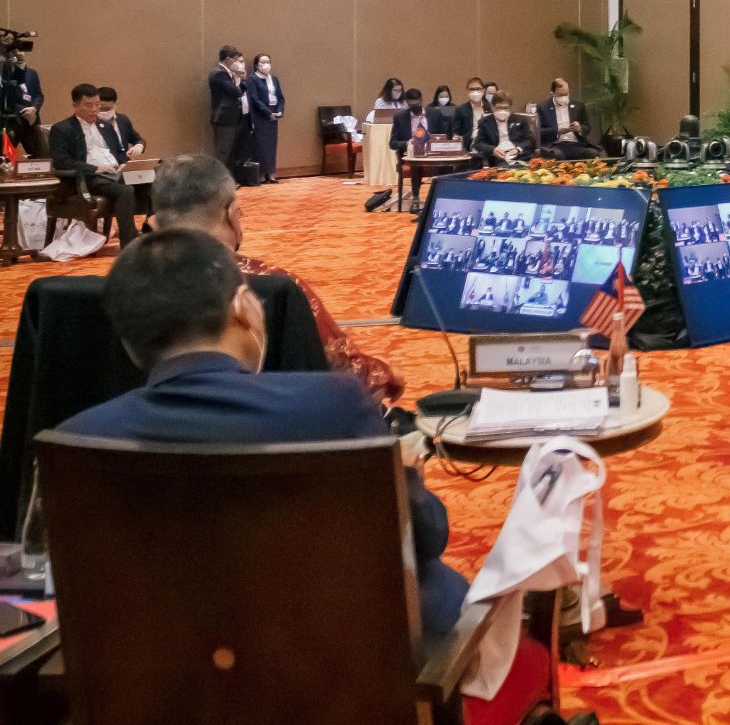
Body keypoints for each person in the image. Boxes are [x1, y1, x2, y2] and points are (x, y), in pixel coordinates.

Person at [59, 230, 464, 629]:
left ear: (128, 341)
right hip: (332, 652)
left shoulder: (78, 437)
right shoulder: (333, 403)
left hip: (163, 658)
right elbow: (425, 536)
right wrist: (406, 476)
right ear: (242, 307)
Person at [151, 155, 401, 401]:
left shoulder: (135, 285)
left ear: (155, 223)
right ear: (233, 214)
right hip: (267, 421)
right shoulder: (278, 287)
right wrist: (385, 375)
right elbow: (344, 374)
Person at [48, 83, 139, 248]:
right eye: (89, 105)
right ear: (75, 106)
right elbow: (62, 161)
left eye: (97, 105)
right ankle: (129, 244)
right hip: (86, 178)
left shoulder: (106, 126)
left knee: (148, 183)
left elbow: (119, 152)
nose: (95, 110)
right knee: (125, 190)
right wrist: (95, 169)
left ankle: (149, 232)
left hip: (113, 173)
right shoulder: (62, 129)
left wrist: (124, 164)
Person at [96, 86, 151, 231]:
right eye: (101, 108)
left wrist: (139, 146)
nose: (104, 112)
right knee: (126, 188)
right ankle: (129, 233)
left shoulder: (123, 120)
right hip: (108, 171)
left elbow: (138, 138)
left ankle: (150, 225)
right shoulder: (92, 124)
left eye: (108, 108)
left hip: (126, 167)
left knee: (153, 179)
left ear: (116, 104)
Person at [208, 45, 250, 176]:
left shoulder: (228, 73)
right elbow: (236, 92)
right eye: (237, 60)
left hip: (233, 118)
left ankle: (230, 179)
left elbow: (241, 89)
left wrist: (240, 79)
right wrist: (239, 78)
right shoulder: (219, 73)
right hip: (223, 119)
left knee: (231, 152)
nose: (239, 64)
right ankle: (219, 180)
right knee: (223, 152)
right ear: (228, 60)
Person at [245, 53, 284, 184]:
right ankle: (261, 174)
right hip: (260, 116)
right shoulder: (252, 79)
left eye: (268, 62)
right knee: (260, 145)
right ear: (257, 65)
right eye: (263, 62)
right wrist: (268, 112)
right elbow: (254, 99)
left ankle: (271, 173)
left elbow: (280, 97)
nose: (266, 65)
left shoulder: (274, 79)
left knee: (271, 145)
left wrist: (280, 110)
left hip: (273, 116)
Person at [537, 79, 596, 159]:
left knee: (592, 154)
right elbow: (538, 131)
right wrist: (557, 131)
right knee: (557, 155)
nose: (563, 97)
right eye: (560, 95)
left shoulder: (578, 105)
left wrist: (579, 129)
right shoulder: (543, 107)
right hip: (554, 145)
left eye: (566, 94)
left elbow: (587, 127)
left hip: (575, 144)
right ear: (553, 93)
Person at [5, 50, 45, 156]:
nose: (20, 54)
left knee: (41, 155)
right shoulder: (5, 74)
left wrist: (34, 108)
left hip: (31, 120)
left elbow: (38, 95)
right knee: (6, 157)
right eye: (16, 52)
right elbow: (9, 96)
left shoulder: (32, 73)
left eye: (22, 52)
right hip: (12, 122)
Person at [477, 93, 533, 166]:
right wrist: (492, 150)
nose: (502, 111)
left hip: (521, 156)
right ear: (492, 107)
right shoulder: (484, 122)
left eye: (506, 108)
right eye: (499, 108)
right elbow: (478, 143)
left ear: (510, 108)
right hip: (499, 158)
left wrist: (518, 149)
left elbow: (530, 140)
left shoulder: (521, 120)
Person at [453, 78, 490, 152]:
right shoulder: (460, 109)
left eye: (478, 89)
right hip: (470, 145)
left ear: (483, 90)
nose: (475, 92)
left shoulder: (490, 108)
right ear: (467, 91)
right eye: (472, 89)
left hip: (488, 143)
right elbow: (456, 133)